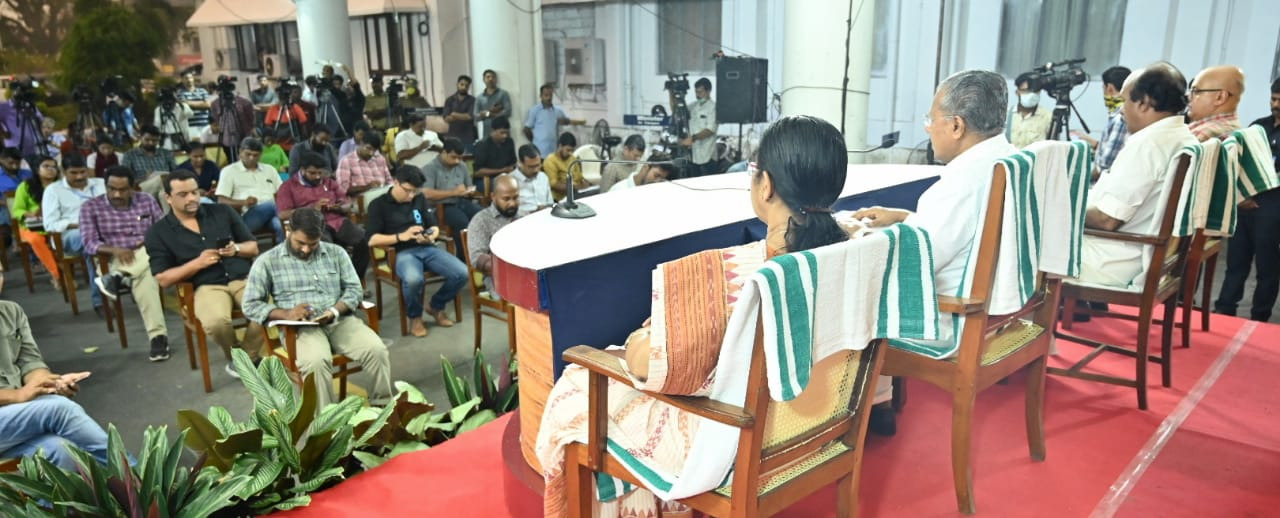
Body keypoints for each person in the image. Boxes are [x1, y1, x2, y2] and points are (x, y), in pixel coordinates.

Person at [536, 115, 853, 517]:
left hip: (728, 446)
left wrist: (640, 340)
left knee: (577, 381)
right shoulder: (852, 259)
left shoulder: (738, 275)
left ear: (767, 185)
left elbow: (650, 365)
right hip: (811, 428)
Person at [854, 69, 1017, 331]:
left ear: (956, 126)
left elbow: (908, 262)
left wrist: (856, 236)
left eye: (931, 118)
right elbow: (961, 232)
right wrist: (904, 217)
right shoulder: (1010, 158)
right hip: (1004, 316)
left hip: (949, 321)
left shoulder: (962, 183)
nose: (927, 127)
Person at [242, 208, 391, 408]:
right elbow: (250, 305)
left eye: (313, 244)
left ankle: (382, 409)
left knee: (376, 350)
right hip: (300, 330)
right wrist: (286, 313)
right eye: (300, 243)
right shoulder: (267, 261)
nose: (306, 249)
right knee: (316, 363)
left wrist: (334, 310)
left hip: (339, 321)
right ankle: (327, 421)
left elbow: (355, 290)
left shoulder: (336, 253)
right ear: (288, 230)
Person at [1077, 63, 1197, 288]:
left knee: (1023, 241)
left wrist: (1061, 210)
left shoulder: (1148, 145)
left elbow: (1106, 219)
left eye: (1124, 101)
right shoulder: (1184, 136)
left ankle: (1044, 310)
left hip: (1113, 258)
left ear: (1144, 103)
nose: (1121, 111)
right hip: (1145, 253)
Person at [147, 169, 265, 378]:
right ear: (168, 198)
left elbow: (253, 247)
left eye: (195, 192)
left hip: (242, 279)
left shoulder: (222, 212)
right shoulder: (158, 232)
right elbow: (163, 278)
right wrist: (197, 264)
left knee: (267, 310)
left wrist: (236, 249)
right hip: (206, 286)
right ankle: (240, 357)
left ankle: (246, 357)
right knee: (216, 322)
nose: (192, 198)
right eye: (183, 194)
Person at [0, 299, 110, 471]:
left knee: (62, 450)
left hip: (14, 417)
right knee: (60, 409)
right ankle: (134, 479)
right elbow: (22, 395)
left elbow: (30, 362)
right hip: (11, 412)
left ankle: (116, 482)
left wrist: (51, 384)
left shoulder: (11, 311)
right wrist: (17, 395)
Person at [364, 166, 468, 337]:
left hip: (426, 247)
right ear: (396, 182)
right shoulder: (378, 205)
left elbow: (433, 226)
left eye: (415, 191)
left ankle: (435, 306)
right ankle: (415, 317)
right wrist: (401, 236)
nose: (411, 195)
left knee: (462, 273)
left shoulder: (419, 199)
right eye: (408, 191)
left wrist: (430, 236)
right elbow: (372, 239)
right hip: (401, 253)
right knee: (414, 280)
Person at [80, 166, 170, 361]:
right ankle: (158, 337)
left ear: (132, 188)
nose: (117, 194)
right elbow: (89, 243)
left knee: (149, 259)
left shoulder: (145, 200)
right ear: (105, 186)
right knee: (147, 277)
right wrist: (115, 250)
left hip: (147, 252)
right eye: (112, 189)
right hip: (113, 260)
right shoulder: (90, 207)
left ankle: (118, 278)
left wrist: (145, 242)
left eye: (123, 190)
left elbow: (163, 229)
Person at [1215, 77, 1280, 321]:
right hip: (1244, 205)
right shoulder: (1257, 127)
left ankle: (1260, 316)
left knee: (1267, 267)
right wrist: (1240, 195)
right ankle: (1225, 309)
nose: (1275, 105)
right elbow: (1237, 161)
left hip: (1272, 208)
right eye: (1273, 99)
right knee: (1236, 262)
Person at [276, 151, 370, 277]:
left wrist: (339, 207)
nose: (317, 177)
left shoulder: (328, 182)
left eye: (320, 173)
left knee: (363, 240)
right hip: (311, 225)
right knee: (327, 249)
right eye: (312, 173)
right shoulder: (288, 187)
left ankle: (355, 278)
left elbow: (346, 203)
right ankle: (333, 282)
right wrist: (311, 208)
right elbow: (283, 214)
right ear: (302, 170)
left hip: (336, 221)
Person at [42, 153, 107, 314]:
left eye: (83, 172)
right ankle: (100, 301)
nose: (79, 177)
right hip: (71, 234)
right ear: (63, 172)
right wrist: (81, 224)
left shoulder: (100, 184)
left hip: (105, 229)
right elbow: (50, 224)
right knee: (91, 243)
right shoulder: (53, 190)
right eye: (74, 173)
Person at [422, 137, 483, 256]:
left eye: (460, 158)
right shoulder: (430, 168)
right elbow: (426, 193)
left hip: (462, 201)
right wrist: (454, 192)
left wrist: (470, 191)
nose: (457, 161)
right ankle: (464, 258)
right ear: (444, 152)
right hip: (441, 207)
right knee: (462, 222)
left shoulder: (461, 165)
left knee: (481, 216)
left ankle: (481, 253)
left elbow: (469, 186)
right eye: (454, 157)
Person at [216, 137, 284, 242]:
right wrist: (244, 202)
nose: (251, 158)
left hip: (272, 213)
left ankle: (285, 251)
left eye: (255, 155)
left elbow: (282, 193)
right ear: (240, 152)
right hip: (247, 217)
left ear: (261, 155)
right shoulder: (229, 171)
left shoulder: (269, 169)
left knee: (279, 224)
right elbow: (221, 201)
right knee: (274, 206)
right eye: (248, 154)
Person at [1073, 66, 1132, 179]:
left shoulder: (1119, 118)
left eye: (1103, 88)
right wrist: (1094, 143)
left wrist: (1082, 180)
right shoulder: (1118, 115)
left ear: (1109, 88)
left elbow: (1105, 165)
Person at [466, 175, 519, 297]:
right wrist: (506, 268)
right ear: (493, 197)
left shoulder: (523, 217)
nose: (512, 203)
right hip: (499, 279)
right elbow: (476, 257)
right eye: (506, 199)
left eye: (516, 197)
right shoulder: (481, 220)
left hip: (529, 274)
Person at [11, 156, 61, 281]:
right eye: (46, 166)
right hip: (32, 224)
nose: (51, 169)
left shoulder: (61, 185)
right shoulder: (25, 186)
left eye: (54, 167)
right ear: (37, 169)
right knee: (35, 239)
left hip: (56, 221)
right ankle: (57, 275)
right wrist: (30, 214)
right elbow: (17, 210)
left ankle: (66, 268)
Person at [335, 131, 394, 208]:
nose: (371, 153)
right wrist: (368, 187)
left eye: (374, 150)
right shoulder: (346, 161)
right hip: (359, 203)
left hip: (382, 201)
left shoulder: (380, 159)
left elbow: (390, 182)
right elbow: (343, 190)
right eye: (368, 148)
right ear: (361, 143)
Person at [1187, 65, 1245, 141]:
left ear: (1220, 97)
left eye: (1196, 91)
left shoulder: (1202, 135)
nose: (1189, 96)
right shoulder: (1235, 130)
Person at [119, 125, 175, 202]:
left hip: (165, 185)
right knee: (162, 180)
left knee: (163, 193)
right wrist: (145, 178)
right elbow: (125, 177)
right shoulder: (130, 155)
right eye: (147, 140)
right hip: (141, 187)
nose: (151, 143)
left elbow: (176, 172)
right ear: (140, 138)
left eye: (154, 140)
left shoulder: (166, 153)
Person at [681, 77, 718, 176]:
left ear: (708, 91)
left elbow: (710, 130)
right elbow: (677, 111)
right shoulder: (693, 106)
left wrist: (692, 138)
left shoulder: (713, 107)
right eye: (696, 92)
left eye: (700, 92)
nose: (697, 95)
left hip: (708, 156)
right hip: (694, 156)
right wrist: (672, 94)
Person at [209, 81, 256, 158]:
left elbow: (251, 118)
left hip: (244, 136)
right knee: (230, 159)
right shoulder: (215, 103)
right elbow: (216, 120)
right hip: (226, 138)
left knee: (245, 158)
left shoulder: (244, 102)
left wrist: (251, 129)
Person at [523, 83, 572, 158]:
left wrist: (565, 121)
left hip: (554, 150)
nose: (549, 98)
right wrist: (534, 141)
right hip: (539, 151)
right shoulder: (534, 110)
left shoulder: (558, 111)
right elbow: (526, 129)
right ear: (541, 96)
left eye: (550, 95)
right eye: (546, 95)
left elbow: (567, 121)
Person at [1007, 72, 1053, 148]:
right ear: (1017, 92)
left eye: (1034, 91)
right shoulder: (1006, 115)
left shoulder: (1048, 117)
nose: (1031, 95)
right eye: (1026, 90)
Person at [471, 116, 517, 191]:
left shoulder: (509, 142)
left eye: (507, 133)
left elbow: (513, 163)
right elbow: (477, 172)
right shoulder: (482, 145)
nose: (505, 136)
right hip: (485, 180)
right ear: (493, 131)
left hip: (505, 177)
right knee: (504, 186)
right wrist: (502, 171)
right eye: (502, 133)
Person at [508, 144, 553, 216]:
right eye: (531, 167)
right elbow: (508, 211)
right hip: (522, 219)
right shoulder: (510, 181)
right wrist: (531, 213)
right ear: (520, 163)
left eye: (538, 165)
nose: (536, 170)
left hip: (545, 216)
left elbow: (550, 203)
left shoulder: (543, 177)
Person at [0, 147, 33, 236]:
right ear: (1, 160)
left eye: (17, 163)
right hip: (7, 209)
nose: (14, 166)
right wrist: (8, 203)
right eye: (10, 163)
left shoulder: (27, 173)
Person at [543, 132, 584, 201]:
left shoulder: (573, 158)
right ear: (560, 146)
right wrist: (574, 188)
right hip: (560, 199)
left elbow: (580, 178)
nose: (570, 153)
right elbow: (554, 185)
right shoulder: (550, 160)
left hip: (577, 195)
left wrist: (585, 185)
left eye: (572, 150)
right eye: (568, 150)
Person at [443, 75, 478, 150]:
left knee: (468, 157)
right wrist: (463, 116)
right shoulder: (449, 100)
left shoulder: (472, 100)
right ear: (457, 84)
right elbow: (446, 118)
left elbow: (470, 116)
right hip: (452, 136)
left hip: (468, 137)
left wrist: (454, 114)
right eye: (462, 84)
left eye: (466, 86)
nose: (464, 87)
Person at [474, 69, 512, 137]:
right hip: (487, 132)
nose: (490, 79)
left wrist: (488, 114)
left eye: (493, 77)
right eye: (488, 77)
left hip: (502, 131)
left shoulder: (503, 94)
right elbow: (476, 116)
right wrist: (490, 112)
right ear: (483, 80)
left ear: (496, 79)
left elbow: (507, 112)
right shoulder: (479, 98)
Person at [177, 73, 212, 142]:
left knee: (207, 146)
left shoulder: (202, 91)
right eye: (186, 78)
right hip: (191, 126)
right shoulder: (180, 93)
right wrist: (201, 103)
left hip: (205, 125)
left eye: (190, 78)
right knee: (195, 146)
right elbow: (184, 106)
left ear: (193, 79)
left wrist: (188, 103)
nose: (189, 80)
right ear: (182, 80)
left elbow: (208, 105)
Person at [609, 156, 677, 191]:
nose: (657, 182)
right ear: (645, 167)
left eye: (661, 180)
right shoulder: (619, 190)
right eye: (656, 175)